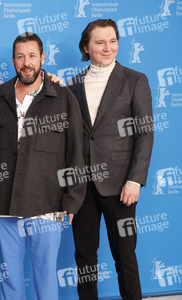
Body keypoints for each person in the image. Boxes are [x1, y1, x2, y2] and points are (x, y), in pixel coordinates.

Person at [0, 32, 86, 300]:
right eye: (20, 56)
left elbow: (76, 151)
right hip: (4, 201)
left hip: (47, 201)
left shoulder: (62, 97)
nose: (26, 62)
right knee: (10, 276)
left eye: (32, 56)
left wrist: (73, 199)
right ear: (13, 60)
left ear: (43, 58)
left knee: (44, 275)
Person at [68, 19, 153, 300]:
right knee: (85, 259)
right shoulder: (74, 84)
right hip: (83, 188)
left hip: (121, 187)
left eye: (113, 41)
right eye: (100, 42)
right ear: (86, 47)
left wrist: (135, 179)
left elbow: (145, 134)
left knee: (125, 257)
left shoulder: (134, 80)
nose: (108, 47)